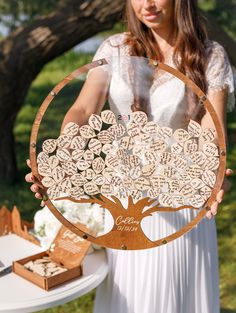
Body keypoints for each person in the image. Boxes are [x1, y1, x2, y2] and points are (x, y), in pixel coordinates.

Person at [26, 0, 235, 312]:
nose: (146, 4)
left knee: (172, 294)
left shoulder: (209, 54)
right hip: (122, 197)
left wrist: (211, 174)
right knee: (130, 295)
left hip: (178, 196)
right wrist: (60, 158)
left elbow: (211, 131)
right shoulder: (114, 49)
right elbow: (84, 109)